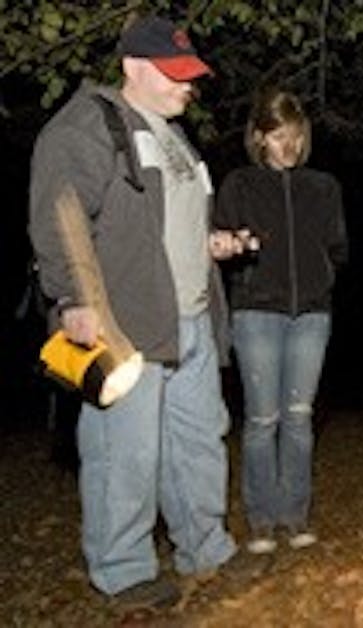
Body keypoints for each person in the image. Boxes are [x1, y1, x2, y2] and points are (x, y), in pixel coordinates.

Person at [28, 15, 253, 608]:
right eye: (174, 74)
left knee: (200, 443)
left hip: (193, 319)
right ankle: (124, 572)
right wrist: (73, 300)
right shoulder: (88, 126)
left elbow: (165, 225)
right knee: (124, 451)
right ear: (132, 67)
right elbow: (60, 216)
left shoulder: (176, 136)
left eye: (191, 75)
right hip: (123, 322)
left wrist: (212, 244)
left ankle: (206, 551)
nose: (188, 86)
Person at [214, 89, 348, 554]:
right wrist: (240, 247)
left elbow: (337, 247)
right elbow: (222, 241)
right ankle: (262, 521)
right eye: (277, 137)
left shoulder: (323, 187)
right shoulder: (239, 184)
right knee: (261, 419)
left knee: (298, 419)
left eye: (294, 136)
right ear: (259, 138)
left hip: (311, 315)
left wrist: (321, 274)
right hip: (256, 312)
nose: (287, 146)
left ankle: (295, 516)